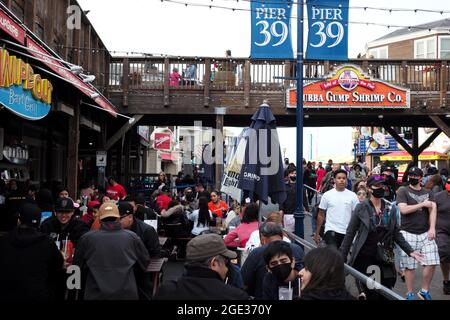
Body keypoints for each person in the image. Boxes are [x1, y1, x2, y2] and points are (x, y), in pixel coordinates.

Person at [340, 176, 421, 300]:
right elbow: (350, 233)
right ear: (369, 189)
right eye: (377, 185)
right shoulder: (361, 208)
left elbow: (396, 233)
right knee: (373, 292)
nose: (381, 188)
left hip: (385, 257)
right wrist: (341, 256)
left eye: (382, 185)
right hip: (367, 257)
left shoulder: (390, 208)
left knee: (386, 291)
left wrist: (410, 251)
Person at [73, 203, 150, 300]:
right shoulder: (132, 237)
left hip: (95, 293)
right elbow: (145, 262)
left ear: (99, 219)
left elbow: (75, 268)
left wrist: (73, 293)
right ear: (118, 218)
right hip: (126, 293)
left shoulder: (87, 238)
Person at [155, 234, 249, 300]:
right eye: (226, 262)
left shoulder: (166, 291)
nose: (227, 268)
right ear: (214, 263)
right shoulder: (235, 296)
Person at [0, 203, 64, 301]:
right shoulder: (46, 242)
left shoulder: (4, 239)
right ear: (39, 222)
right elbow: (58, 264)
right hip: (37, 294)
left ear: (19, 220)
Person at [396, 167, 440, 300]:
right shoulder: (403, 190)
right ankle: (409, 294)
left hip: (425, 232)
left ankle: (424, 291)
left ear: (421, 178)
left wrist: (432, 228)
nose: (412, 177)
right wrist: (422, 205)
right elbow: (403, 210)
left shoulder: (428, 192)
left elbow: (433, 209)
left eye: (415, 175)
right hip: (407, 231)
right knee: (410, 266)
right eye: (410, 175)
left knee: (432, 261)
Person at [241, 222, 304, 299]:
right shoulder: (297, 249)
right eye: (274, 263)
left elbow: (244, 281)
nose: (279, 265)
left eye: (283, 261)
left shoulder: (256, 253)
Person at [314, 169, 359, 248]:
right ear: (334, 180)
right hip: (330, 230)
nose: (341, 180)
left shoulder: (353, 196)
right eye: (339, 178)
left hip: (346, 232)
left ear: (346, 180)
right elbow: (321, 214)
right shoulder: (327, 195)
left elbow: (356, 215)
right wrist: (317, 233)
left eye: (344, 178)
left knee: (342, 257)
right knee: (333, 254)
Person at [432, 178, 450, 295]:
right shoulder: (438, 196)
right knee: (444, 252)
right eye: (449, 182)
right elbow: (431, 212)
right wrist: (431, 228)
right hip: (442, 231)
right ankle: (446, 281)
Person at [280, 167, 297, 233]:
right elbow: (281, 204)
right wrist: (281, 219)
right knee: (288, 236)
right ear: (288, 175)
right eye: (292, 173)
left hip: (296, 215)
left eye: (295, 173)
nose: (294, 175)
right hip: (288, 215)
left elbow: (304, 201)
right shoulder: (284, 187)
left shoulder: (301, 186)